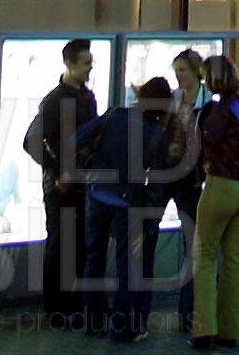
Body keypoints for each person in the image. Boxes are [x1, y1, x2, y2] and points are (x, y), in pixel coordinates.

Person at [89, 78, 183, 341]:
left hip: (97, 193)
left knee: (95, 256)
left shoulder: (115, 115)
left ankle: (93, 321)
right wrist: (151, 216)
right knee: (128, 265)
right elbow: (157, 180)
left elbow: (77, 139)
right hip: (128, 202)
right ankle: (123, 327)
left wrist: (90, 169)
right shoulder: (156, 133)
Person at [191, 54, 239, 351]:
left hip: (221, 186)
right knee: (235, 258)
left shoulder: (218, 111)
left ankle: (204, 331)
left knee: (205, 255)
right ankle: (231, 330)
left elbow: (205, 143)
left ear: (212, 80)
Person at [24, 39, 100, 321]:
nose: (90, 67)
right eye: (85, 63)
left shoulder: (85, 97)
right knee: (60, 244)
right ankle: (57, 308)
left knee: (78, 243)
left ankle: (73, 304)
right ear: (69, 64)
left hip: (79, 183)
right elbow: (31, 141)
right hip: (62, 187)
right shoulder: (56, 101)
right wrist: (58, 172)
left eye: (90, 62)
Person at [167, 48, 211, 333]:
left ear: (196, 72)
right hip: (171, 172)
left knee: (193, 243)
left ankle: (189, 310)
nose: (178, 76)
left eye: (182, 70)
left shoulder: (208, 104)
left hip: (192, 177)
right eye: (176, 71)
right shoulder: (174, 99)